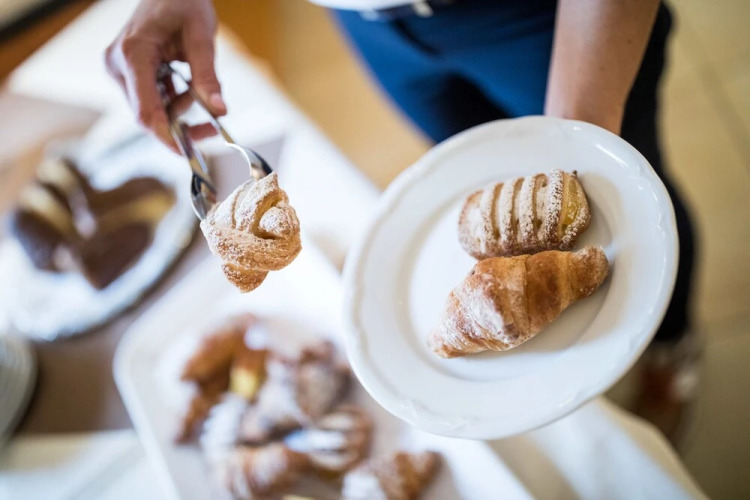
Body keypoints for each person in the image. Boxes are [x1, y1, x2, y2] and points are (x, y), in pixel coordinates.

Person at [105, 0, 697, 440]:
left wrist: (572, 139)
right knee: (486, 170)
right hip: (371, 25)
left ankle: (673, 345)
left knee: (622, 195)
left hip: (545, 16)